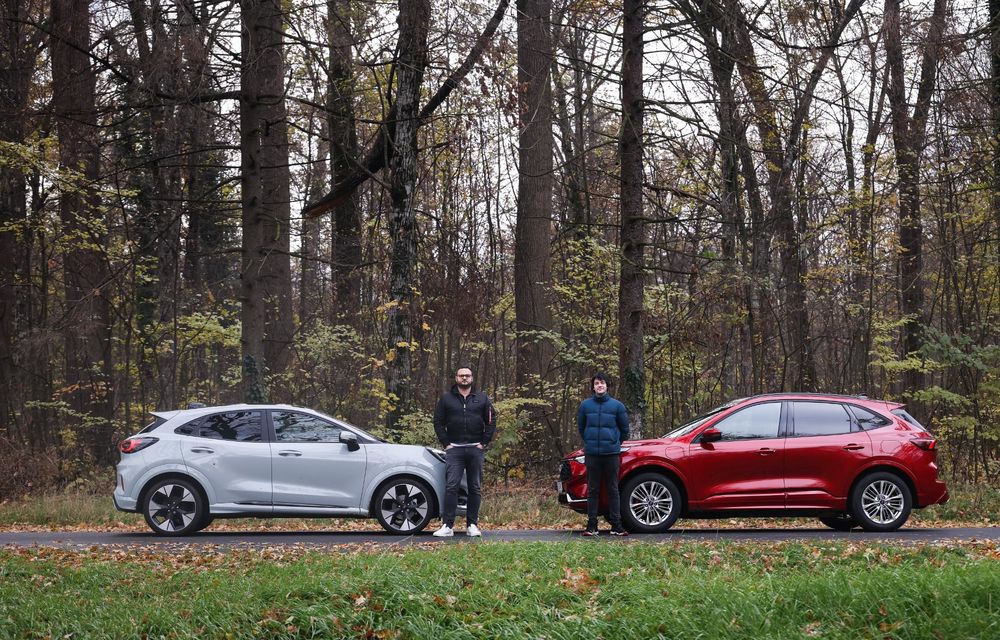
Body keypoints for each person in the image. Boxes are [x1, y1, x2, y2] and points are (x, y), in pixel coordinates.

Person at [432, 365, 497, 537]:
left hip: (476, 450)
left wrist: (483, 443)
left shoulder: (482, 398)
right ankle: (447, 526)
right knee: (451, 486)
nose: (464, 378)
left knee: (474, 487)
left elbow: (491, 421)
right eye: (461, 375)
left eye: (467, 375)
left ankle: (472, 525)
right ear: (456, 378)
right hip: (454, 450)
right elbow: (438, 421)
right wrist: (446, 443)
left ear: (472, 378)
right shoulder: (446, 399)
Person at [577, 372, 630, 536]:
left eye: (603, 383)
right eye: (597, 383)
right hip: (592, 453)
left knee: (613, 489)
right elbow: (581, 427)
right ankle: (592, 526)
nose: (600, 386)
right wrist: (590, 442)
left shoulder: (617, 406)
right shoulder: (585, 406)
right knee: (593, 490)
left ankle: (616, 525)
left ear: (607, 386)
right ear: (593, 387)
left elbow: (625, 431)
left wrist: (614, 443)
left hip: (611, 454)